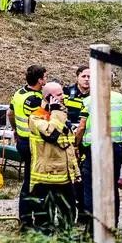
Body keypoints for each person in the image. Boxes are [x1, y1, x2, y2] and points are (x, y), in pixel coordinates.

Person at [25, 82, 83, 231]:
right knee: (44, 218)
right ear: (48, 97)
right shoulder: (36, 118)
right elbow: (51, 134)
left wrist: (75, 171)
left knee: (68, 214)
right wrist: (57, 112)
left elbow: (67, 146)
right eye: (58, 95)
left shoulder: (61, 114)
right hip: (46, 178)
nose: (62, 97)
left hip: (64, 176)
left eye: (62, 93)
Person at [77, 78, 122, 224]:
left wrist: (75, 145)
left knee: (91, 187)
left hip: (94, 150)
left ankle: (93, 225)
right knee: (111, 186)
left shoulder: (88, 101)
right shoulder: (120, 98)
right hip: (114, 148)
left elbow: (81, 127)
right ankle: (113, 222)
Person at [8, 65, 46, 218]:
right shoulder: (35, 99)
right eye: (45, 77)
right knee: (32, 180)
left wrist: (15, 129)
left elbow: (10, 113)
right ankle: (27, 216)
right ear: (39, 80)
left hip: (22, 141)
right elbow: (40, 122)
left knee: (29, 178)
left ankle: (27, 214)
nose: (46, 81)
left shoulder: (19, 93)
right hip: (32, 143)